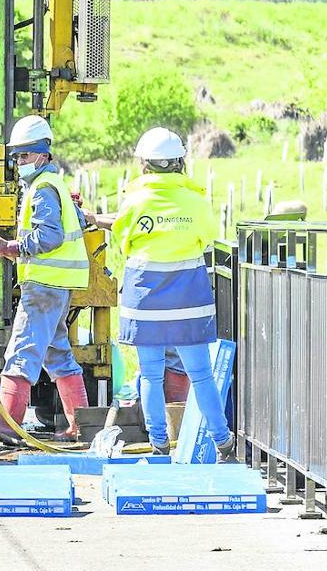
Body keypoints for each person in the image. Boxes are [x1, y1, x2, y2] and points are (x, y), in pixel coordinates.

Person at [85, 127, 236, 461]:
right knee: (201, 374)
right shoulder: (195, 200)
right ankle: (223, 442)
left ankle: (158, 444)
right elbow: (207, 237)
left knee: (150, 374)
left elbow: (125, 236)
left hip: (146, 296)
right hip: (188, 295)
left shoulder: (135, 200)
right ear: (180, 162)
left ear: (145, 165)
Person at [0, 115, 90, 442]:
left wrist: (12, 248)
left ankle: (8, 427)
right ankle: (80, 426)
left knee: (22, 351)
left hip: (44, 285)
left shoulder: (43, 189)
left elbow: (50, 236)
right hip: (56, 285)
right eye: (17, 157)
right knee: (57, 354)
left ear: (44, 154)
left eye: (26, 156)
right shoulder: (51, 184)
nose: (20, 162)